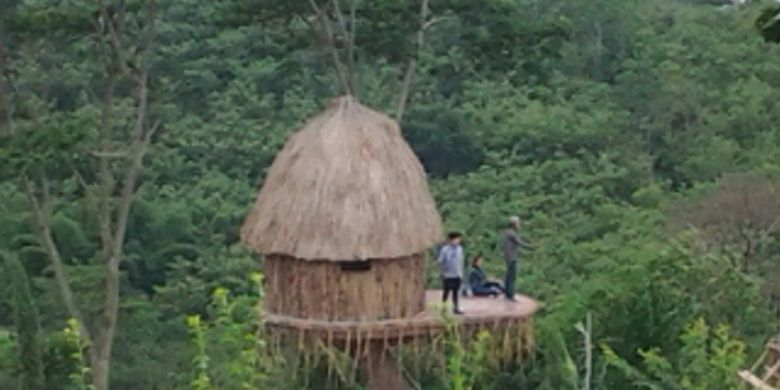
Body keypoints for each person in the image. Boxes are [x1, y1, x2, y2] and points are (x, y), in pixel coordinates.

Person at [502, 216, 533, 301]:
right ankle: (510, 295)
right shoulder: (511, 233)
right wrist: (532, 247)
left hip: (508, 257)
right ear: (514, 224)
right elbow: (520, 243)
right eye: (518, 223)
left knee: (509, 276)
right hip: (511, 258)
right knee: (511, 277)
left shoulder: (506, 232)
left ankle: (507, 294)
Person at [438, 231, 464, 314]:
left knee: (456, 292)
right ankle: (443, 309)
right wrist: (442, 272)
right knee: (446, 292)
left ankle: (455, 308)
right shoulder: (445, 250)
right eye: (456, 239)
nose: (458, 241)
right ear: (451, 240)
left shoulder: (460, 249)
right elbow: (440, 262)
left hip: (457, 274)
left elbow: (461, 261)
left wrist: (461, 273)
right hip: (448, 274)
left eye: (458, 239)